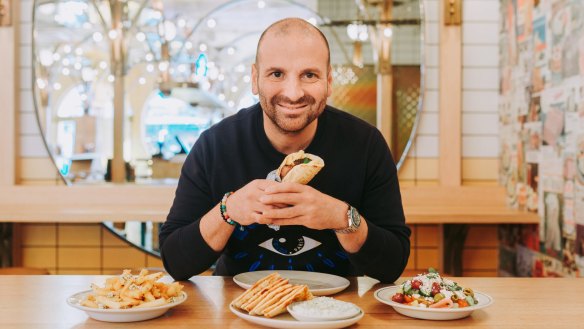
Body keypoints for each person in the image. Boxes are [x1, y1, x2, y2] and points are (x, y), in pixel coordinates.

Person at [159, 17, 410, 283]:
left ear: (329, 82)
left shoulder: (366, 144)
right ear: (255, 79)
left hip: (338, 313)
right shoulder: (215, 146)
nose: (293, 93)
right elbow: (175, 262)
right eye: (277, 74)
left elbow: (392, 265)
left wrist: (341, 217)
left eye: (309, 75)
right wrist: (228, 210)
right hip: (239, 310)